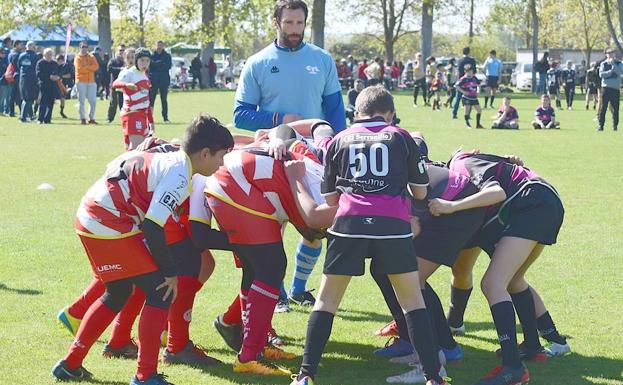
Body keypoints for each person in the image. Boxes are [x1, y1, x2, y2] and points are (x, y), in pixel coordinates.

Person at [51, 114, 234, 385]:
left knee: (118, 292)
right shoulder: (180, 175)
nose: (222, 164)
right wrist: (170, 272)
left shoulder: (167, 157)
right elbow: (152, 227)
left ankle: (70, 365)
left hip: (92, 215)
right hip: (108, 222)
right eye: (221, 156)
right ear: (205, 153)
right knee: (161, 291)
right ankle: (145, 375)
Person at [289, 85, 446, 385]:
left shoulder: (339, 139)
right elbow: (421, 191)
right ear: (388, 114)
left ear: (357, 112)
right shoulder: (401, 136)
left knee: (325, 302)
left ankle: (306, 375)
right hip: (393, 226)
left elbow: (331, 200)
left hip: (349, 224)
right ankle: (433, 378)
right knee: (412, 301)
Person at [233, 0, 346, 310]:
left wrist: (336, 147)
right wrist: (279, 119)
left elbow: (335, 110)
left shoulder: (321, 60)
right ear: (276, 22)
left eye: (299, 23)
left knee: (315, 226)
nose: (295, 29)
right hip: (274, 152)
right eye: (289, 23)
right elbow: (241, 114)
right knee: (275, 225)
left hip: (314, 153)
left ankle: (298, 287)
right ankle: (278, 291)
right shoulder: (258, 62)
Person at [442, 151, 565, 385]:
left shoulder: (460, 163)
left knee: (492, 284)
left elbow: (496, 193)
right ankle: (532, 346)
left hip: (533, 202)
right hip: (540, 201)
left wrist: (451, 206)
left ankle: (512, 369)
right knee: (513, 279)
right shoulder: (475, 163)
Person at [113, 48, 154, 150]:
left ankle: (127, 166)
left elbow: (146, 100)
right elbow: (115, 83)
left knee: (135, 147)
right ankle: (131, 166)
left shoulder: (144, 75)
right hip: (132, 114)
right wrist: (126, 84)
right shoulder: (130, 73)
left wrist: (151, 121)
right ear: (136, 60)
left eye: (147, 61)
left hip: (142, 115)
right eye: (142, 60)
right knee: (136, 147)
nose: (145, 63)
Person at [597, 48, 623, 132]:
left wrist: (613, 65)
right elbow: (601, 75)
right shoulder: (603, 64)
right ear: (606, 54)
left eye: (612, 53)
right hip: (606, 88)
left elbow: (620, 72)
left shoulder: (619, 63)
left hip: (615, 89)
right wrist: (611, 72)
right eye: (608, 53)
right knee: (603, 107)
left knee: (615, 108)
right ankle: (601, 125)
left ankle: (615, 125)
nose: (610, 54)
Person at [74, 40, 100, 125]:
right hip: (81, 81)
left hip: (91, 81)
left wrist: (86, 67)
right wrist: (90, 68)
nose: (84, 49)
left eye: (85, 47)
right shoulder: (77, 58)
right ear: (80, 48)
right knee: (81, 101)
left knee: (93, 101)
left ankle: (91, 118)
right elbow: (79, 69)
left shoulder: (91, 56)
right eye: (82, 47)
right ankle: (83, 118)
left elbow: (96, 66)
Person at [148, 41, 172, 123]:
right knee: (151, 100)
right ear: (155, 46)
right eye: (158, 45)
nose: (159, 47)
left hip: (164, 80)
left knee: (164, 99)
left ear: (163, 46)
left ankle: (165, 118)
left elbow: (168, 66)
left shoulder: (167, 56)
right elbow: (150, 65)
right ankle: (150, 117)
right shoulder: (151, 56)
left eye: (161, 45)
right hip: (153, 80)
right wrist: (160, 64)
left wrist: (156, 65)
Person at [35, 48, 59, 124]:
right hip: (43, 85)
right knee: (43, 103)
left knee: (51, 103)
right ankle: (40, 119)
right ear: (44, 54)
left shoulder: (54, 63)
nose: (49, 56)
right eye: (48, 54)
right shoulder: (40, 63)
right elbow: (38, 74)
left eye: (51, 54)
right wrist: (49, 77)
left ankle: (47, 119)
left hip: (53, 85)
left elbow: (58, 72)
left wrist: (57, 77)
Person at [17, 41, 39, 123]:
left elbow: (18, 66)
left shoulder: (21, 55)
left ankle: (31, 116)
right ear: (33, 47)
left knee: (25, 98)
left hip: (22, 79)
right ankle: (23, 118)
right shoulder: (35, 57)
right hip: (32, 80)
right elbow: (37, 68)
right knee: (29, 99)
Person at [455, 64, 483, 128]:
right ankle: (467, 124)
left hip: (474, 97)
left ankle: (478, 124)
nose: (471, 73)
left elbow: (478, 85)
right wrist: (463, 92)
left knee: (479, 110)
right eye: (469, 72)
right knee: (466, 110)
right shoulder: (463, 79)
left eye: (471, 72)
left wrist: (478, 91)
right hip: (466, 97)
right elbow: (457, 86)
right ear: (465, 72)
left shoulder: (474, 77)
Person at [452, 47, 477, 119]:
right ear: (469, 52)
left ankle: (454, 113)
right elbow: (474, 71)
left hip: (461, 81)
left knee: (457, 98)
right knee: (470, 98)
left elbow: (458, 71)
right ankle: (468, 115)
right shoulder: (472, 60)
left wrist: (457, 80)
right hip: (469, 81)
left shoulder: (460, 60)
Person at [107, 45, 126, 123]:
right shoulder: (113, 60)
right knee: (113, 102)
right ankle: (110, 118)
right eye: (120, 50)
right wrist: (120, 69)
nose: (121, 52)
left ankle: (124, 118)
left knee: (124, 102)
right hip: (114, 84)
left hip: (124, 85)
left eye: (123, 50)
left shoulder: (126, 61)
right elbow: (109, 69)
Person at [7, 40, 24, 117]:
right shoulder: (17, 54)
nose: (22, 46)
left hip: (12, 75)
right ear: (16, 45)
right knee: (20, 94)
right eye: (20, 44)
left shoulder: (11, 54)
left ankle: (11, 112)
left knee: (12, 95)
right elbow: (19, 65)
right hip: (17, 75)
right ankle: (22, 112)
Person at [56, 54, 74, 119]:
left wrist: (61, 76)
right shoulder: (54, 65)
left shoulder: (68, 65)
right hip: (54, 83)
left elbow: (70, 75)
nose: (59, 62)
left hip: (63, 84)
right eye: (58, 60)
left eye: (60, 60)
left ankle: (61, 111)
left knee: (62, 98)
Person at [0, 49, 10, 115]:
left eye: (4, 53)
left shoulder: (5, 61)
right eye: (2, 53)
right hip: (1, 81)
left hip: (6, 81)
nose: (4, 54)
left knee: (5, 97)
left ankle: (4, 110)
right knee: (1, 97)